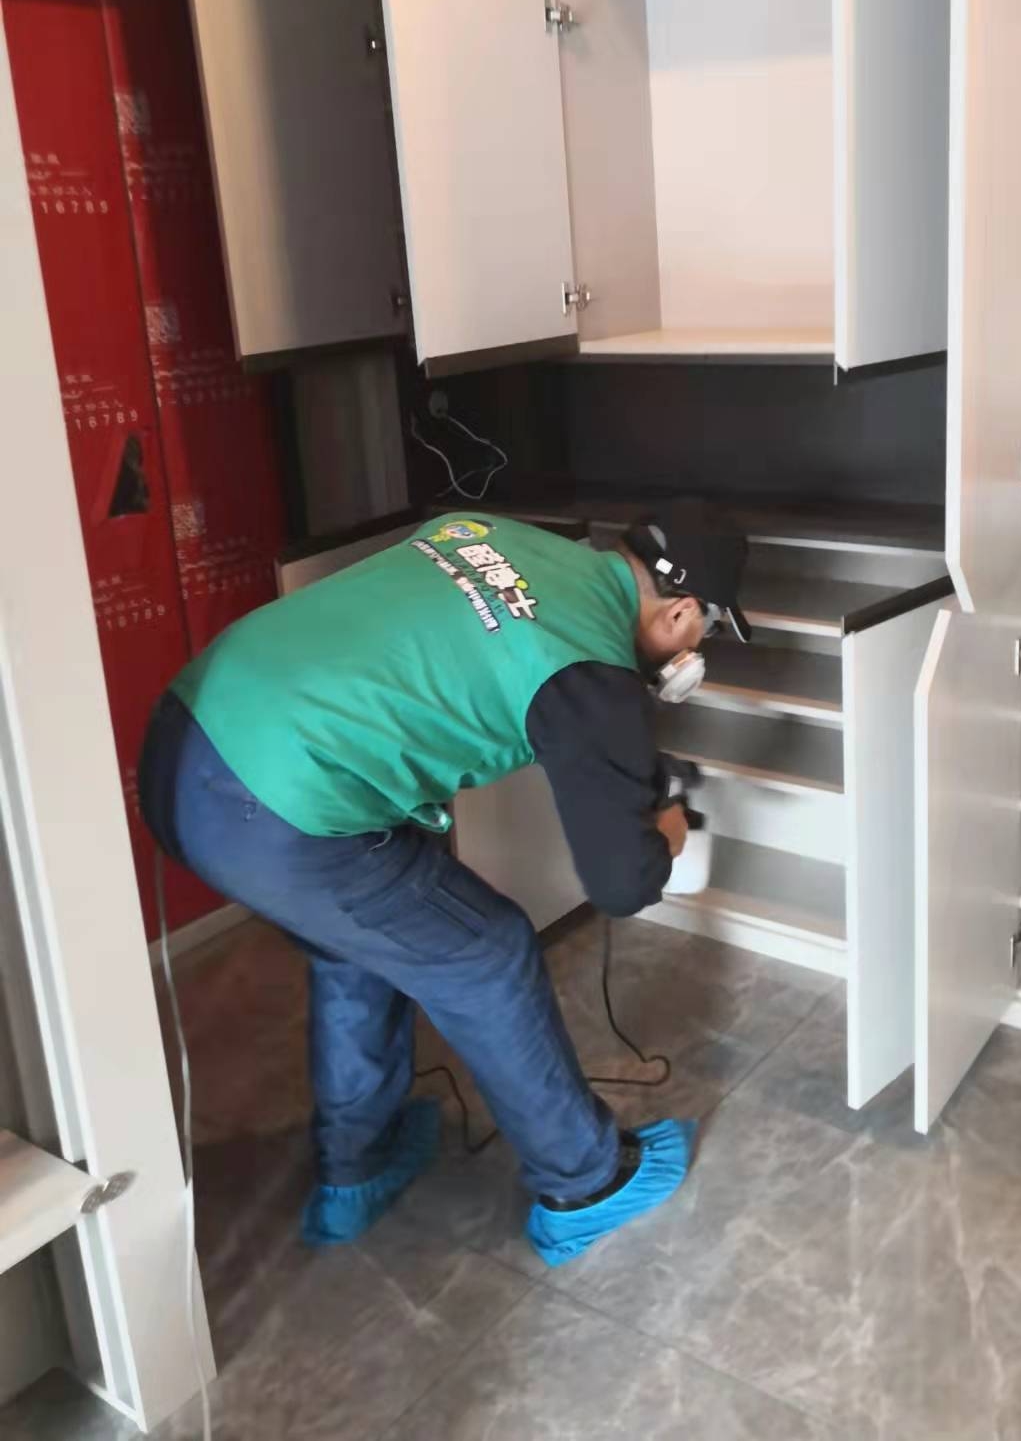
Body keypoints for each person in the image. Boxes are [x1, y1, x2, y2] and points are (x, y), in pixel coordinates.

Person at [138, 498, 750, 1265]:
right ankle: (586, 1183)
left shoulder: (494, 530)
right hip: (272, 808)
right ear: (681, 612)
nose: (696, 649)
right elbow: (621, 885)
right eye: (705, 632)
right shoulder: (594, 678)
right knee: (483, 951)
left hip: (184, 738)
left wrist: (627, 764)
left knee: (366, 938)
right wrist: (667, 832)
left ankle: (357, 1167)